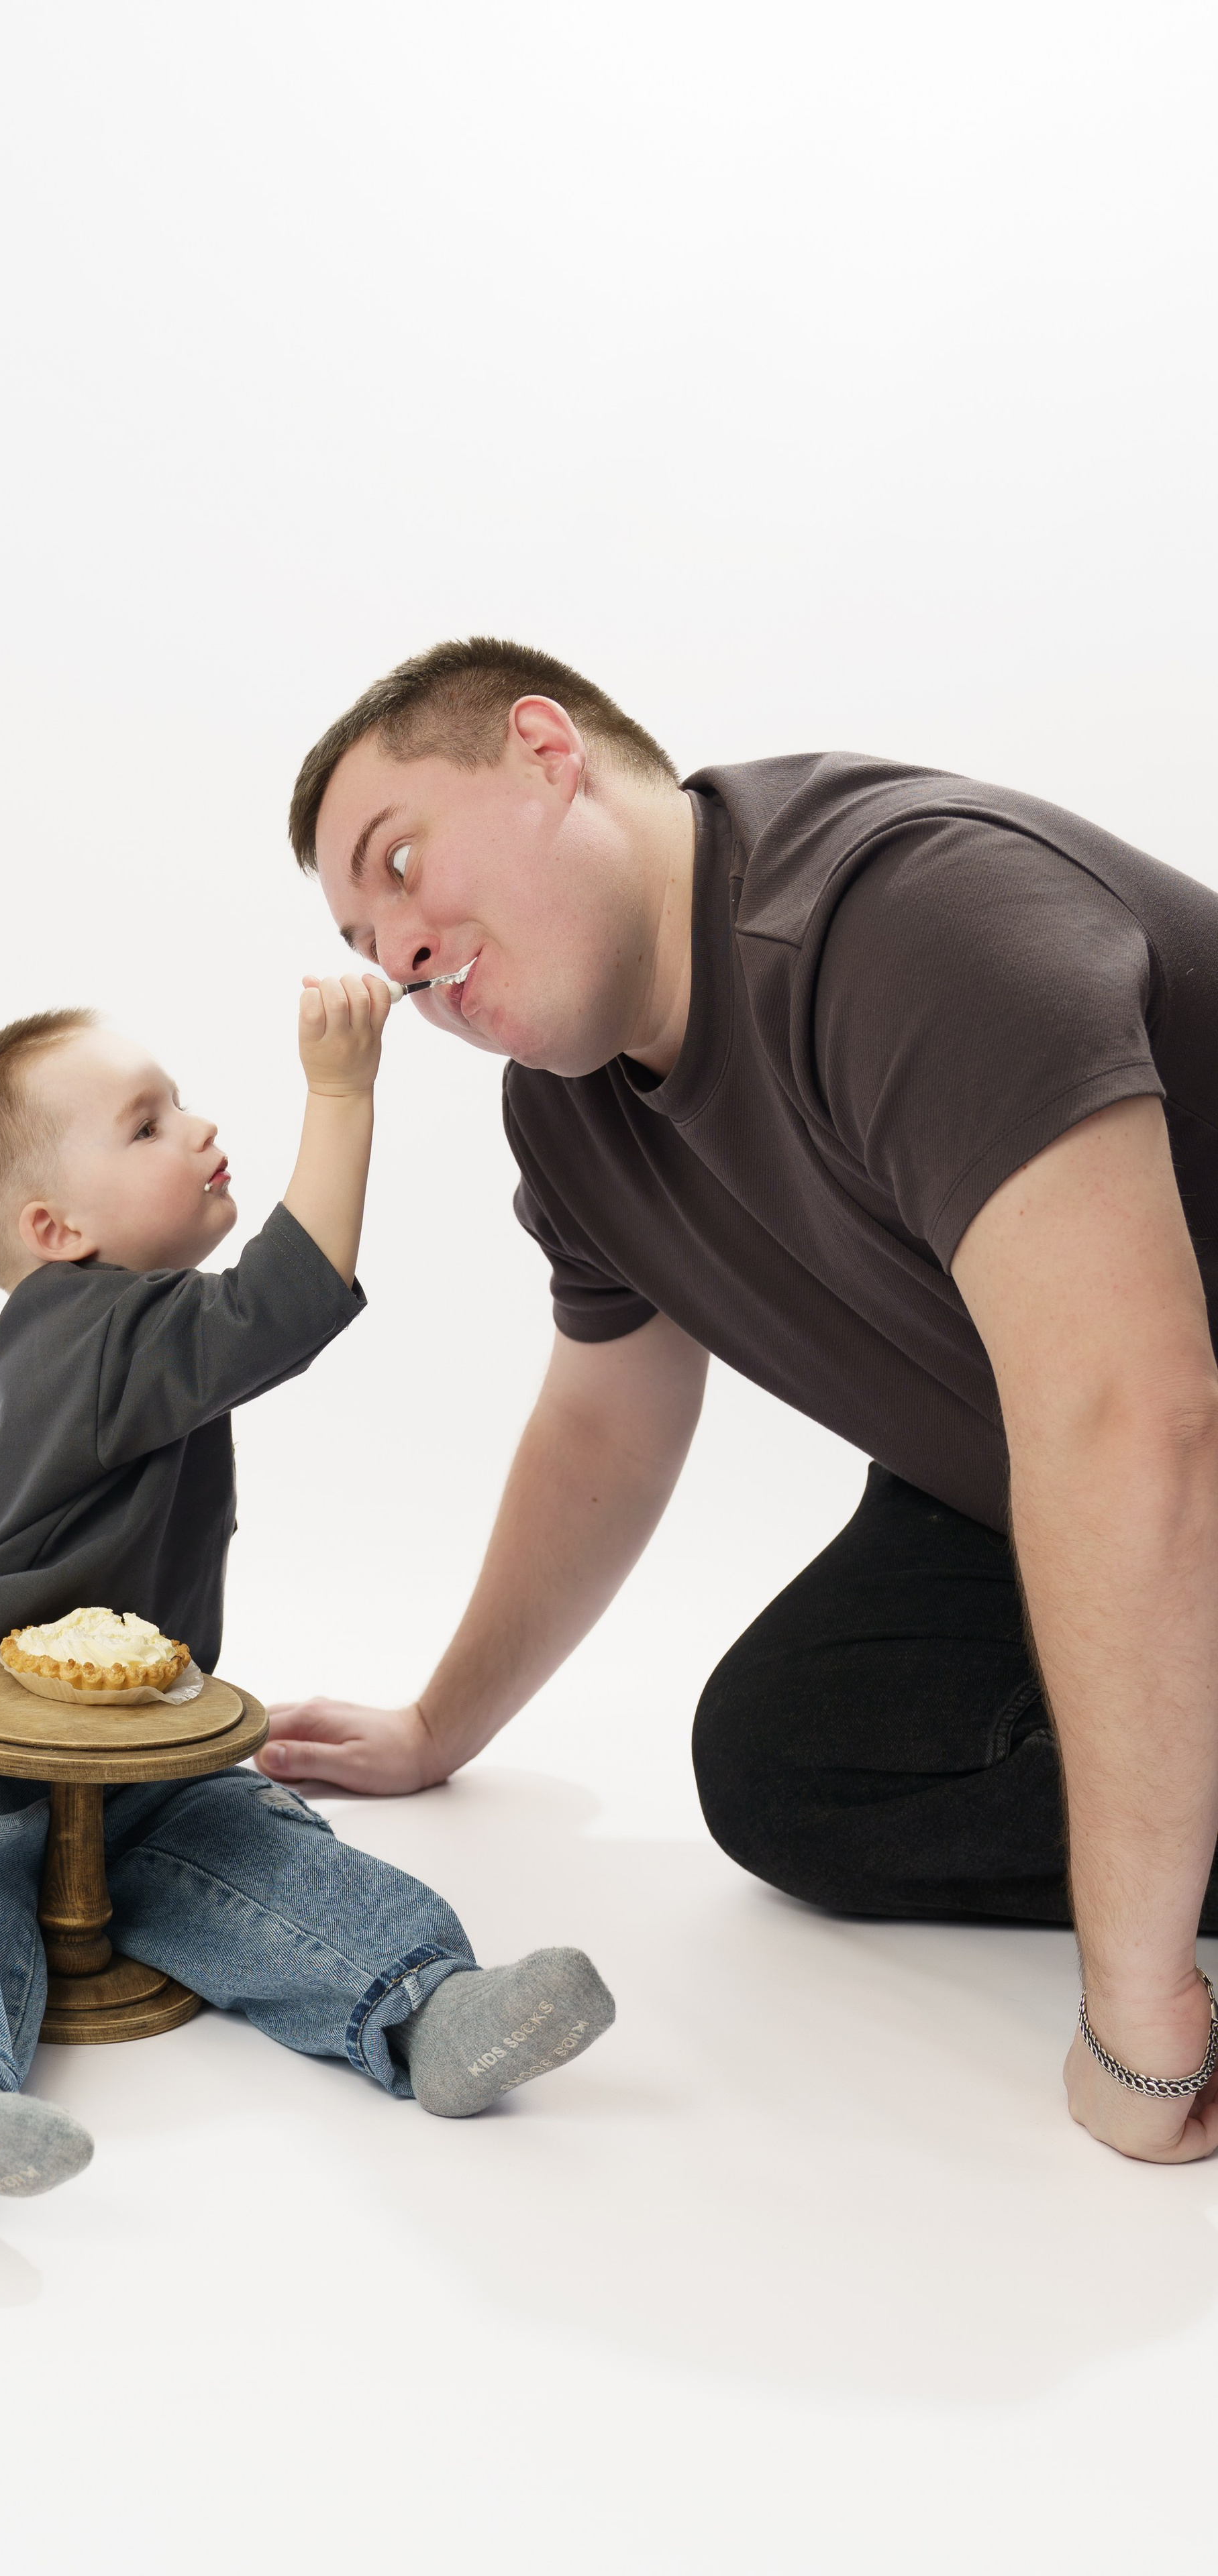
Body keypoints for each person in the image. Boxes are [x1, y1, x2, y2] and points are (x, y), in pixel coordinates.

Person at [260, 635, 1218, 2167]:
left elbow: (1133, 1412)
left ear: (540, 750)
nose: (401, 955)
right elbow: (604, 1427)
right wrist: (439, 1723)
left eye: (400, 861)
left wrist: (1139, 2013)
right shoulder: (567, 1120)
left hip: (1144, 1429)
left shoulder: (900, 921)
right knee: (792, 1765)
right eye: (368, 939)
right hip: (1028, 1466)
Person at [0, 974, 614, 2212]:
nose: (198, 1130)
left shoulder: (134, 1329)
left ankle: (426, 2006)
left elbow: (243, 1325)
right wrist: (339, 1097)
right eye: (146, 1123)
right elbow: (280, 1305)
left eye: (179, 1106)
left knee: (247, 1842)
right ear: (54, 1230)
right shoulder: (77, 1327)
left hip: (135, 1737)